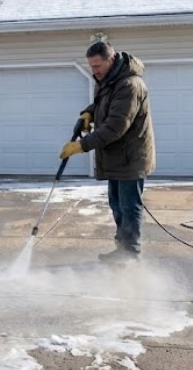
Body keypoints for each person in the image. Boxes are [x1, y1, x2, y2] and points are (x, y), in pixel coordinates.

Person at [59, 40, 155, 261]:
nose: (94, 71)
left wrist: (81, 145)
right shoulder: (109, 80)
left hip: (131, 156)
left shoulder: (130, 84)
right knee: (117, 205)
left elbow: (115, 127)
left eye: (97, 66)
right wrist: (88, 114)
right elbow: (103, 103)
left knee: (129, 206)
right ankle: (122, 249)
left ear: (111, 60)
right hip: (116, 156)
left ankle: (130, 253)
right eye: (91, 66)